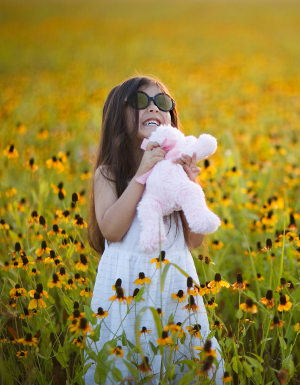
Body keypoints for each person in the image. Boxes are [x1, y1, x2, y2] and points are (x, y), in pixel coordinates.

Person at [85, 75, 224, 384]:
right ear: (116, 116)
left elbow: (194, 239)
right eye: (140, 101)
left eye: (162, 103)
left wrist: (190, 183)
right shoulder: (109, 174)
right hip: (127, 291)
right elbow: (111, 229)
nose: (153, 108)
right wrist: (142, 174)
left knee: (180, 364)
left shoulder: (175, 171)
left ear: (171, 118)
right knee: (127, 364)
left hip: (174, 285)